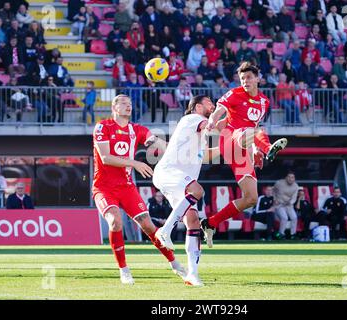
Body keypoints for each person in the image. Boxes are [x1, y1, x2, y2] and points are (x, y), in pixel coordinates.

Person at [92, 94, 186, 285]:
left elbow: (160, 145)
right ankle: (124, 270)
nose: (129, 106)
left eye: (130, 104)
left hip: (126, 187)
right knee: (115, 222)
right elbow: (106, 158)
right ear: (114, 107)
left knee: (148, 226)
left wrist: (181, 150)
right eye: (124, 103)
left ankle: (175, 264)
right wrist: (134, 163)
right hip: (104, 187)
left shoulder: (137, 130)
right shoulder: (103, 127)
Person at [200, 62, 288, 247]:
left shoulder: (264, 101)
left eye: (249, 77)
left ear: (258, 78)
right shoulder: (234, 93)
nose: (245, 81)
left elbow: (254, 126)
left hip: (243, 148)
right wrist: (211, 122)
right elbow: (219, 111)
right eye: (242, 78)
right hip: (229, 139)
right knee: (251, 132)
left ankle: (211, 223)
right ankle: (269, 148)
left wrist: (255, 150)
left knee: (251, 198)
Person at [153, 95, 217, 286]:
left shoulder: (199, 132)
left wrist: (233, 143)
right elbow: (214, 125)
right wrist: (231, 116)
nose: (213, 106)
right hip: (169, 173)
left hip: (178, 180)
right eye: (209, 103)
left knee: (193, 221)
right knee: (198, 190)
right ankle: (165, 231)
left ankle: (193, 274)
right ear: (198, 107)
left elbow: (205, 156)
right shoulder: (192, 119)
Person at [273, 172, 299, 240]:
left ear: (294, 179)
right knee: (284, 218)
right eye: (289, 177)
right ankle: (281, 234)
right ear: (286, 178)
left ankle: (293, 234)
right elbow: (273, 191)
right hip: (279, 204)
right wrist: (274, 199)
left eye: (292, 177)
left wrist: (290, 202)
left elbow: (294, 197)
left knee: (294, 217)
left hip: (289, 205)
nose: (291, 179)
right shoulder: (279, 183)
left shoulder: (296, 186)